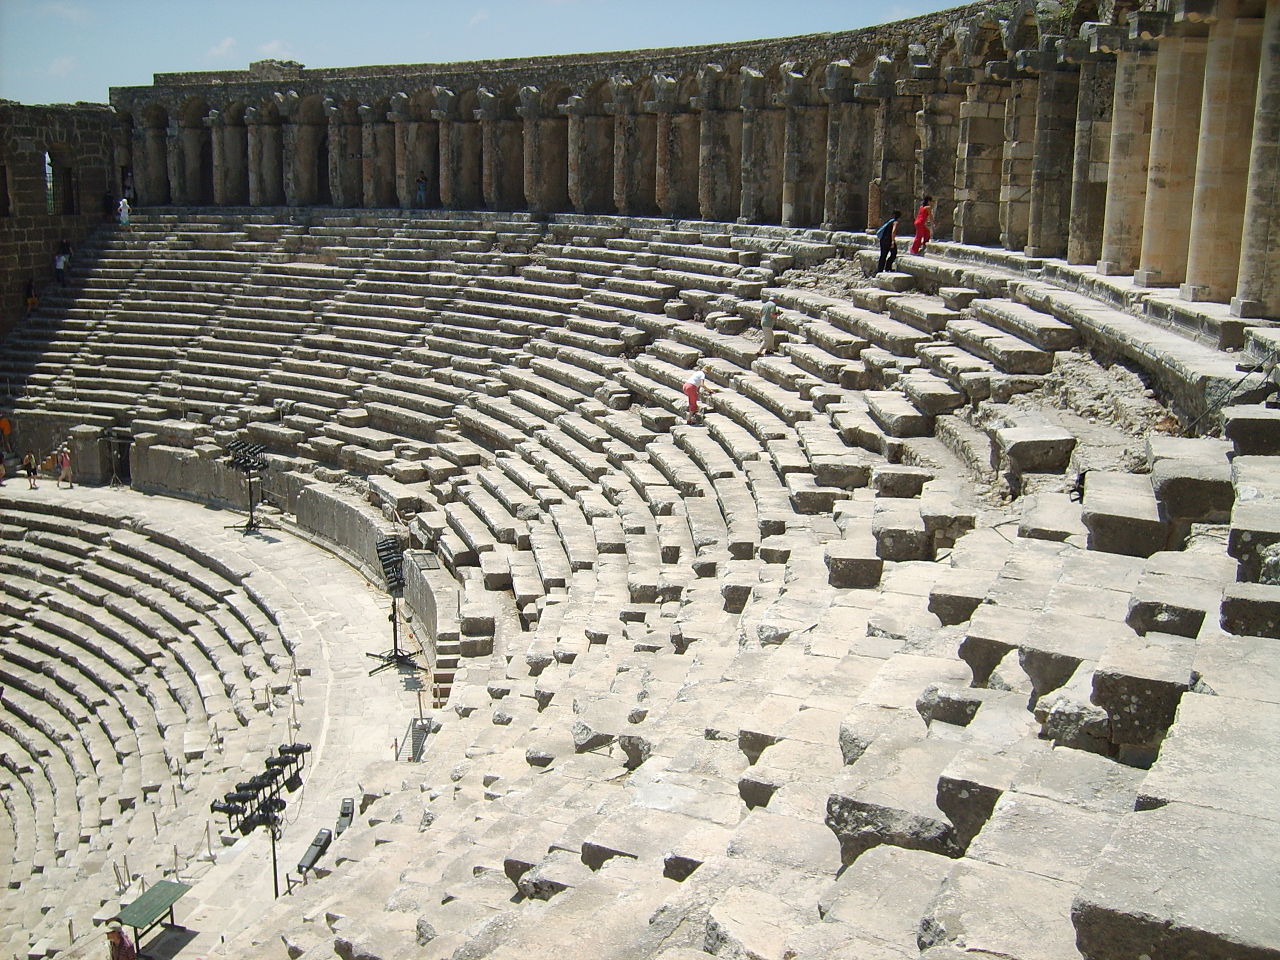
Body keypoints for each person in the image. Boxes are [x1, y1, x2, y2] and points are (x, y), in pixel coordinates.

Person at [875, 210, 900, 274]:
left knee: (883, 255)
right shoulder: (895, 222)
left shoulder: (890, 221)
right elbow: (893, 231)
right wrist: (892, 241)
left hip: (883, 240)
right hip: (889, 240)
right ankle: (887, 267)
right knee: (894, 253)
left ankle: (880, 270)